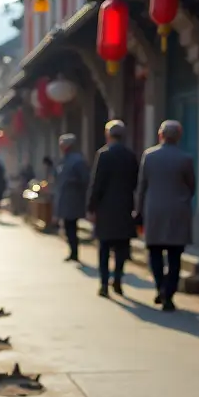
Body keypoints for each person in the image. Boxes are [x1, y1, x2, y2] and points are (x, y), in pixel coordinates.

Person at [136, 120, 196, 312]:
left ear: (160, 135)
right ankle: (168, 294)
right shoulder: (185, 158)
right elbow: (191, 186)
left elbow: (142, 186)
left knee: (154, 253)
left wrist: (138, 211)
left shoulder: (149, 156)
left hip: (154, 210)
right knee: (175, 256)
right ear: (179, 136)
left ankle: (159, 287)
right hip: (177, 211)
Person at [87, 119, 140, 298]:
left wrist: (91, 207)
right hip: (124, 207)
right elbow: (135, 182)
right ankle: (117, 279)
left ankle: (103, 284)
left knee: (104, 248)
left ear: (108, 134)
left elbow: (97, 184)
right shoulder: (130, 155)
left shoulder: (104, 154)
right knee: (121, 248)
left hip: (105, 209)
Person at [54, 134, 90, 263]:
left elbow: (85, 179)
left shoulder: (77, 160)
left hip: (73, 199)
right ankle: (72, 251)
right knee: (68, 227)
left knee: (72, 226)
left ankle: (75, 252)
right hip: (65, 198)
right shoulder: (63, 160)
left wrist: (72, 182)